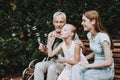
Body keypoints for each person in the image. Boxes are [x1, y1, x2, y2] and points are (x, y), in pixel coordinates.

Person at [34, 11, 85, 80]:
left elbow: (80, 52)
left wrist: (82, 46)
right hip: (53, 60)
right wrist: (44, 49)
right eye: (56, 22)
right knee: (38, 65)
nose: (58, 24)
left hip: (66, 63)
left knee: (52, 67)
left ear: (65, 22)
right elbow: (50, 54)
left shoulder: (71, 34)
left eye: (61, 22)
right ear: (53, 23)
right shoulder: (51, 34)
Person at [71, 10, 114, 80]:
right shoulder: (90, 35)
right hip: (95, 68)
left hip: (106, 70)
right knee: (75, 68)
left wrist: (88, 65)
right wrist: (82, 59)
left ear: (93, 22)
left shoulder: (103, 37)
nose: (82, 23)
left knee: (83, 75)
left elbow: (109, 62)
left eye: (84, 21)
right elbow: (96, 52)